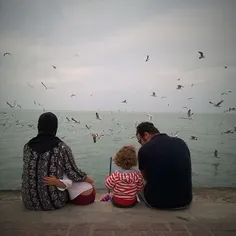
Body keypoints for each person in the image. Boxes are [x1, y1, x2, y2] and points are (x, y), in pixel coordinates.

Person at [22, 112, 94, 211]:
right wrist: (87, 178)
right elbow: (73, 173)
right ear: (55, 127)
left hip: (29, 201)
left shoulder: (27, 146)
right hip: (52, 203)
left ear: (39, 126)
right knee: (78, 186)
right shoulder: (62, 147)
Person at [136, 122, 192, 209]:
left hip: (157, 203)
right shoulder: (181, 142)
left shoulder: (144, 149)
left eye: (140, 141)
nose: (141, 144)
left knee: (138, 184)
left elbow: (146, 178)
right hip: (185, 201)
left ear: (146, 135)